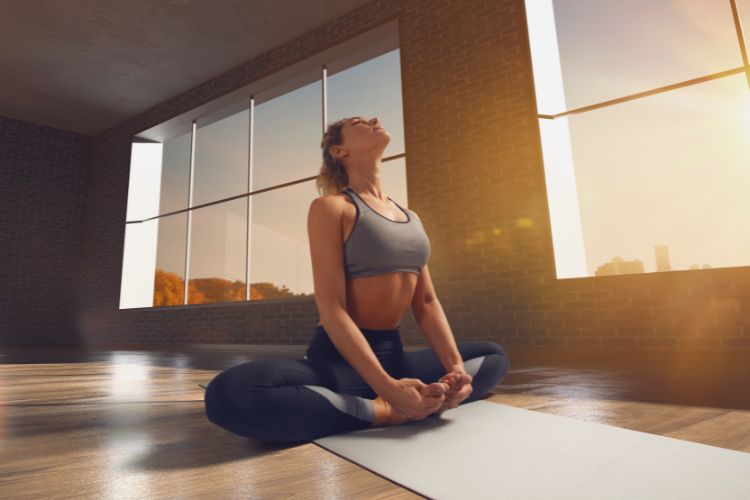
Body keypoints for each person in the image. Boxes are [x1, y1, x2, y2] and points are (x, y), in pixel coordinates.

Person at [204, 116, 510, 443]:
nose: (375, 120)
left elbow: (426, 302)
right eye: (359, 122)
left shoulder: (411, 218)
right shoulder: (331, 208)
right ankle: (386, 412)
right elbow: (332, 306)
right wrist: (388, 391)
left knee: (493, 356)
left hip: (395, 356)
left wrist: (456, 374)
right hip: (341, 361)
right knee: (231, 394)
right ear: (340, 151)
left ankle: (415, 399)